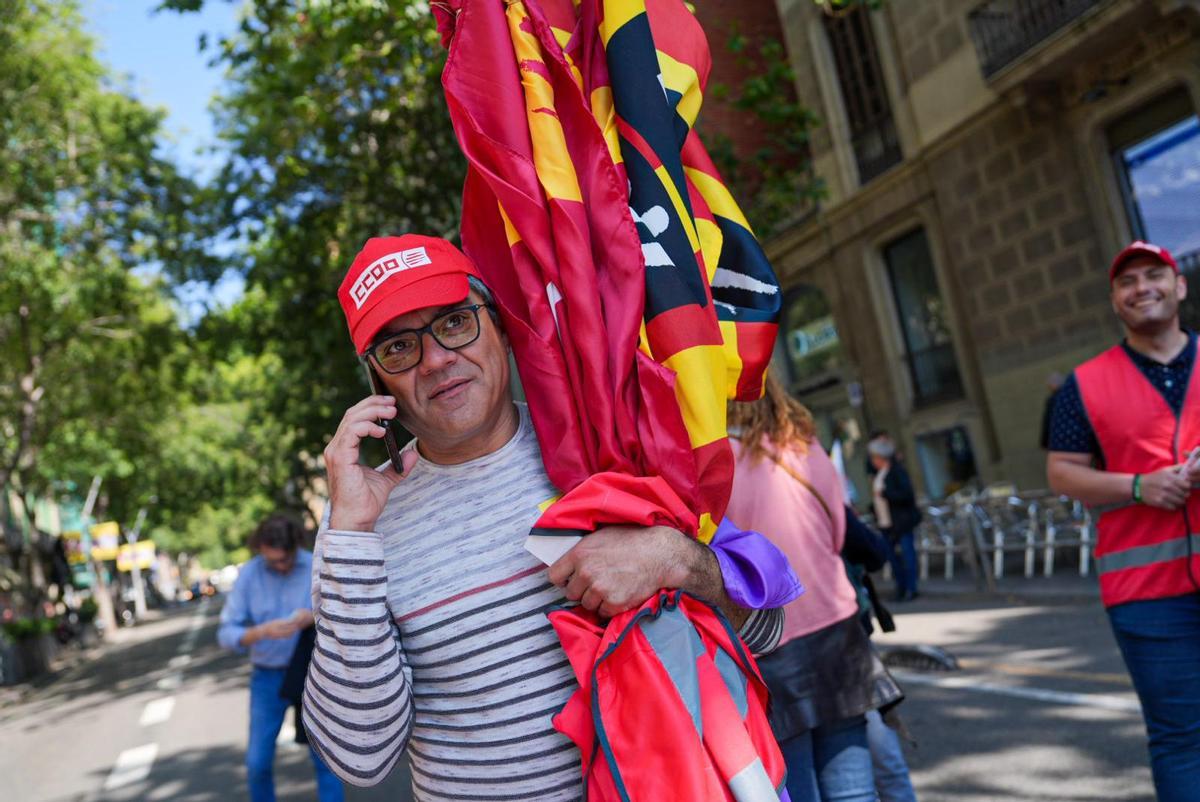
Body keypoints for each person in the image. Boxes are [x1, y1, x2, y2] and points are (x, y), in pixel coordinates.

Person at [302, 235, 796, 799]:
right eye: (398, 349)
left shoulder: (606, 443)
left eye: (455, 322)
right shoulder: (356, 528)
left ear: (503, 329)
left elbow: (765, 631)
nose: (436, 358)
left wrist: (673, 558)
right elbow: (359, 757)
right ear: (378, 381)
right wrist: (351, 535)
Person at [1047, 240, 1200, 802]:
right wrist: (1138, 486)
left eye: (1153, 275)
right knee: (1182, 738)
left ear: (1179, 285)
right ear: (1115, 300)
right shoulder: (1081, 386)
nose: (1143, 288)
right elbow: (1062, 473)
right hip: (1147, 596)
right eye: (1127, 281)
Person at [725, 373, 884, 802]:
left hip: (768, 643)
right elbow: (838, 533)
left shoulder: (716, 461)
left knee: (797, 785)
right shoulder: (805, 445)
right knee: (855, 790)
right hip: (836, 626)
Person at [217, 515, 343, 802]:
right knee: (257, 763)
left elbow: (344, 614)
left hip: (314, 674)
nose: (282, 567)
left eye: (286, 560)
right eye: (274, 562)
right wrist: (260, 632)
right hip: (267, 677)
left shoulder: (314, 564)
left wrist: (312, 617)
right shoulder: (249, 575)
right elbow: (226, 633)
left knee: (326, 761)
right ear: (261, 549)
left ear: (295, 547)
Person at [868, 436, 922, 602]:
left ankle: (911, 588)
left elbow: (906, 495)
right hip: (886, 523)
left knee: (907, 555)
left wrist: (885, 495)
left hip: (901, 522)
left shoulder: (897, 472)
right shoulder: (879, 474)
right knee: (893, 558)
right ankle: (901, 586)